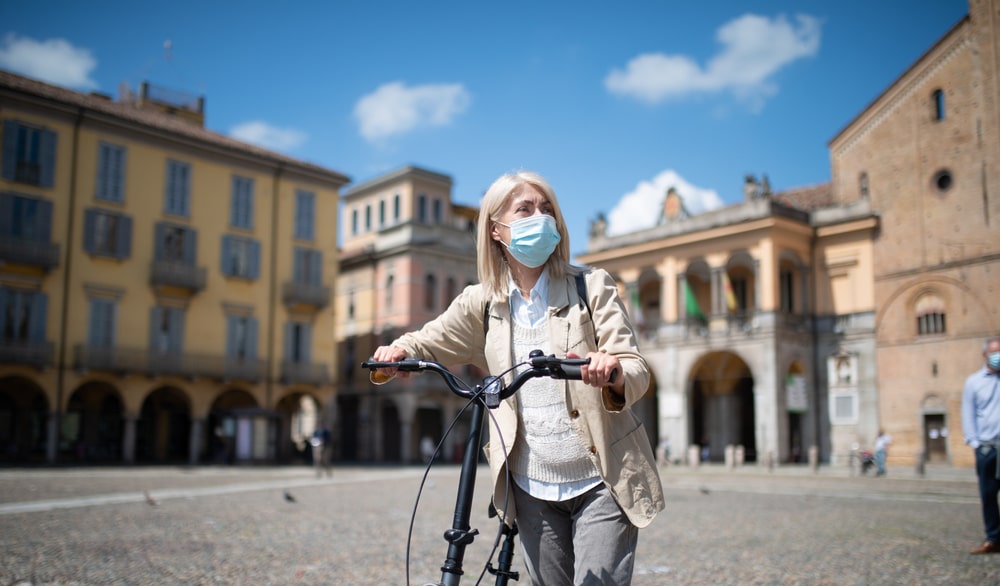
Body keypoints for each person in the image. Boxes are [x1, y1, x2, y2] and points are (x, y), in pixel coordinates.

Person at [371, 170, 664, 584]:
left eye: (547, 210)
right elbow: (429, 339)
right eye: (525, 209)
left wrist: (612, 370)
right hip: (531, 488)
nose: (540, 218)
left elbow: (635, 367)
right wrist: (397, 354)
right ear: (496, 229)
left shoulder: (590, 287)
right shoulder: (483, 302)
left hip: (603, 479)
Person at [962, 335, 1000, 554]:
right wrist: (975, 443)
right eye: (994, 352)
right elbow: (968, 414)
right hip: (987, 448)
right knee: (988, 495)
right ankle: (993, 539)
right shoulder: (974, 382)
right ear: (985, 355)